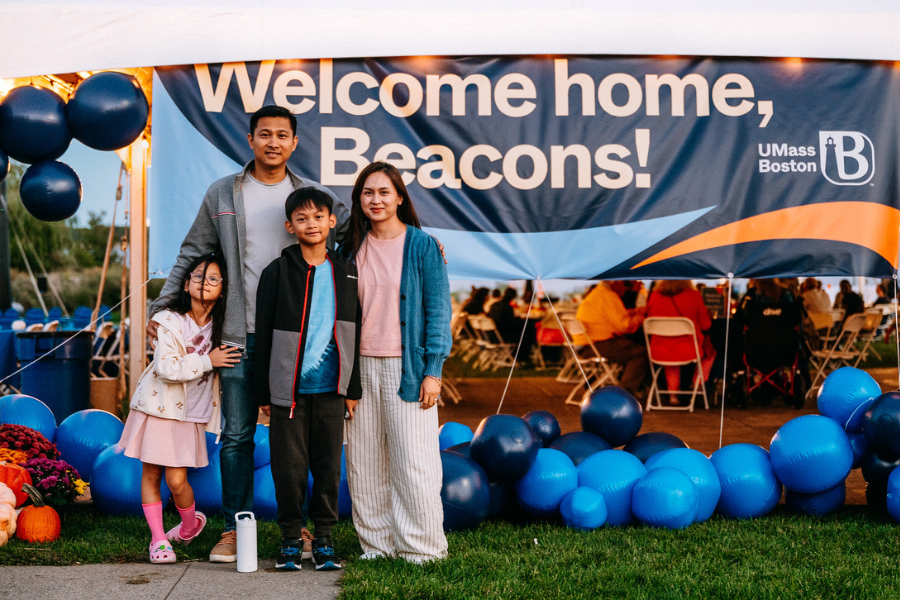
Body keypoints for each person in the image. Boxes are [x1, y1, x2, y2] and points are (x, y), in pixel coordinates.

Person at [146, 105, 348, 562]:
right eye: (264, 134)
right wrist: (162, 306)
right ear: (250, 140)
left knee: (298, 438)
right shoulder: (223, 192)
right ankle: (236, 528)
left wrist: (422, 241)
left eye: (282, 135)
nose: (273, 142)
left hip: (296, 340)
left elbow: (355, 238)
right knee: (237, 435)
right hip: (237, 333)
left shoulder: (311, 196)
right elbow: (193, 252)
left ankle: (301, 533)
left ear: (294, 143)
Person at [343, 161, 451, 563]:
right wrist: (344, 382)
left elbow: (438, 312)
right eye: (368, 193)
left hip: (408, 369)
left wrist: (433, 371)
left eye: (384, 192)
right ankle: (377, 545)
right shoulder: (349, 247)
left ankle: (422, 548)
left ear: (400, 198)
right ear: (358, 199)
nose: (376, 199)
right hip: (360, 369)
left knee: (414, 461)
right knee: (365, 462)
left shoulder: (423, 245)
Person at [254, 187, 361, 572]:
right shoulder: (277, 272)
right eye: (302, 218)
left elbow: (356, 332)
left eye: (318, 216)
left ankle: (326, 539)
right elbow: (263, 335)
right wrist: (263, 390)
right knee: (289, 468)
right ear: (290, 226)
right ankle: (290, 539)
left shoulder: (347, 270)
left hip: (333, 390)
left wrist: (353, 387)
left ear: (332, 221)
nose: (311, 224)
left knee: (328, 467)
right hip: (288, 393)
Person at [119, 254, 242, 564]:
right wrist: (207, 361)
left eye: (213, 279)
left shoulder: (224, 328)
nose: (204, 283)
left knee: (176, 480)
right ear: (186, 284)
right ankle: (159, 540)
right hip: (158, 407)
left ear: (223, 290)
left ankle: (189, 524)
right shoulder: (169, 321)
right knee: (150, 475)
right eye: (198, 277)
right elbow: (166, 367)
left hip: (191, 415)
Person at [646, 280, 715, 406]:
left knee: (671, 361)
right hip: (688, 349)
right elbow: (706, 325)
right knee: (710, 352)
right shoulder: (693, 296)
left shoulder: (655, 295)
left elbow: (649, 317)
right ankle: (697, 385)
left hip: (659, 350)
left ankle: (673, 396)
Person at [575, 281, 648, 397]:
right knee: (640, 352)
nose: (625, 290)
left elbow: (616, 316)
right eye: (625, 285)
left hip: (584, 344)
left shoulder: (597, 293)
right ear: (616, 282)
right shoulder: (608, 295)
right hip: (597, 344)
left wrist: (633, 312)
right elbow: (625, 326)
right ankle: (624, 394)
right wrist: (642, 317)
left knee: (628, 347)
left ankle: (626, 388)